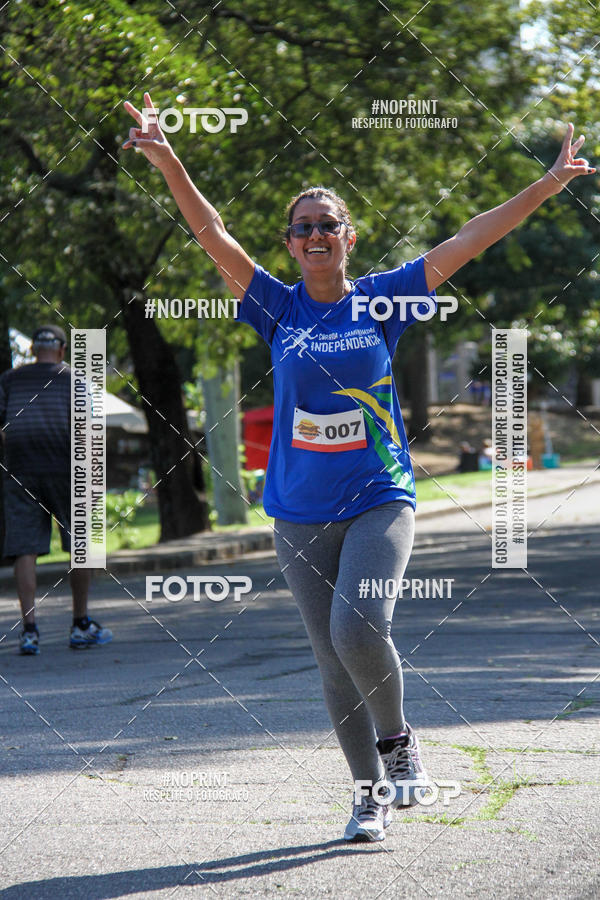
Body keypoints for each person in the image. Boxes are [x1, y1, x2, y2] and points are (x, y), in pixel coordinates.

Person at [123, 93, 595, 841]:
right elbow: (211, 232)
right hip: (297, 509)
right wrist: (168, 156)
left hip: (381, 496)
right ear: (289, 244)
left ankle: (399, 743)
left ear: (348, 237)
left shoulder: (384, 299)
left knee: (358, 626)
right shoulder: (274, 307)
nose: (315, 234)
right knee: (332, 661)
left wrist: (547, 184)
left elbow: (470, 238)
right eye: (302, 227)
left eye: (327, 225)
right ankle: (368, 794)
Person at [0, 325, 112, 655]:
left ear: (34, 349)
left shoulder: (9, 380)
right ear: (62, 350)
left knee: (25, 549)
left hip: (21, 469)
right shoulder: (77, 380)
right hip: (69, 469)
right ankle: (80, 625)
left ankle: (30, 632)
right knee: (81, 544)